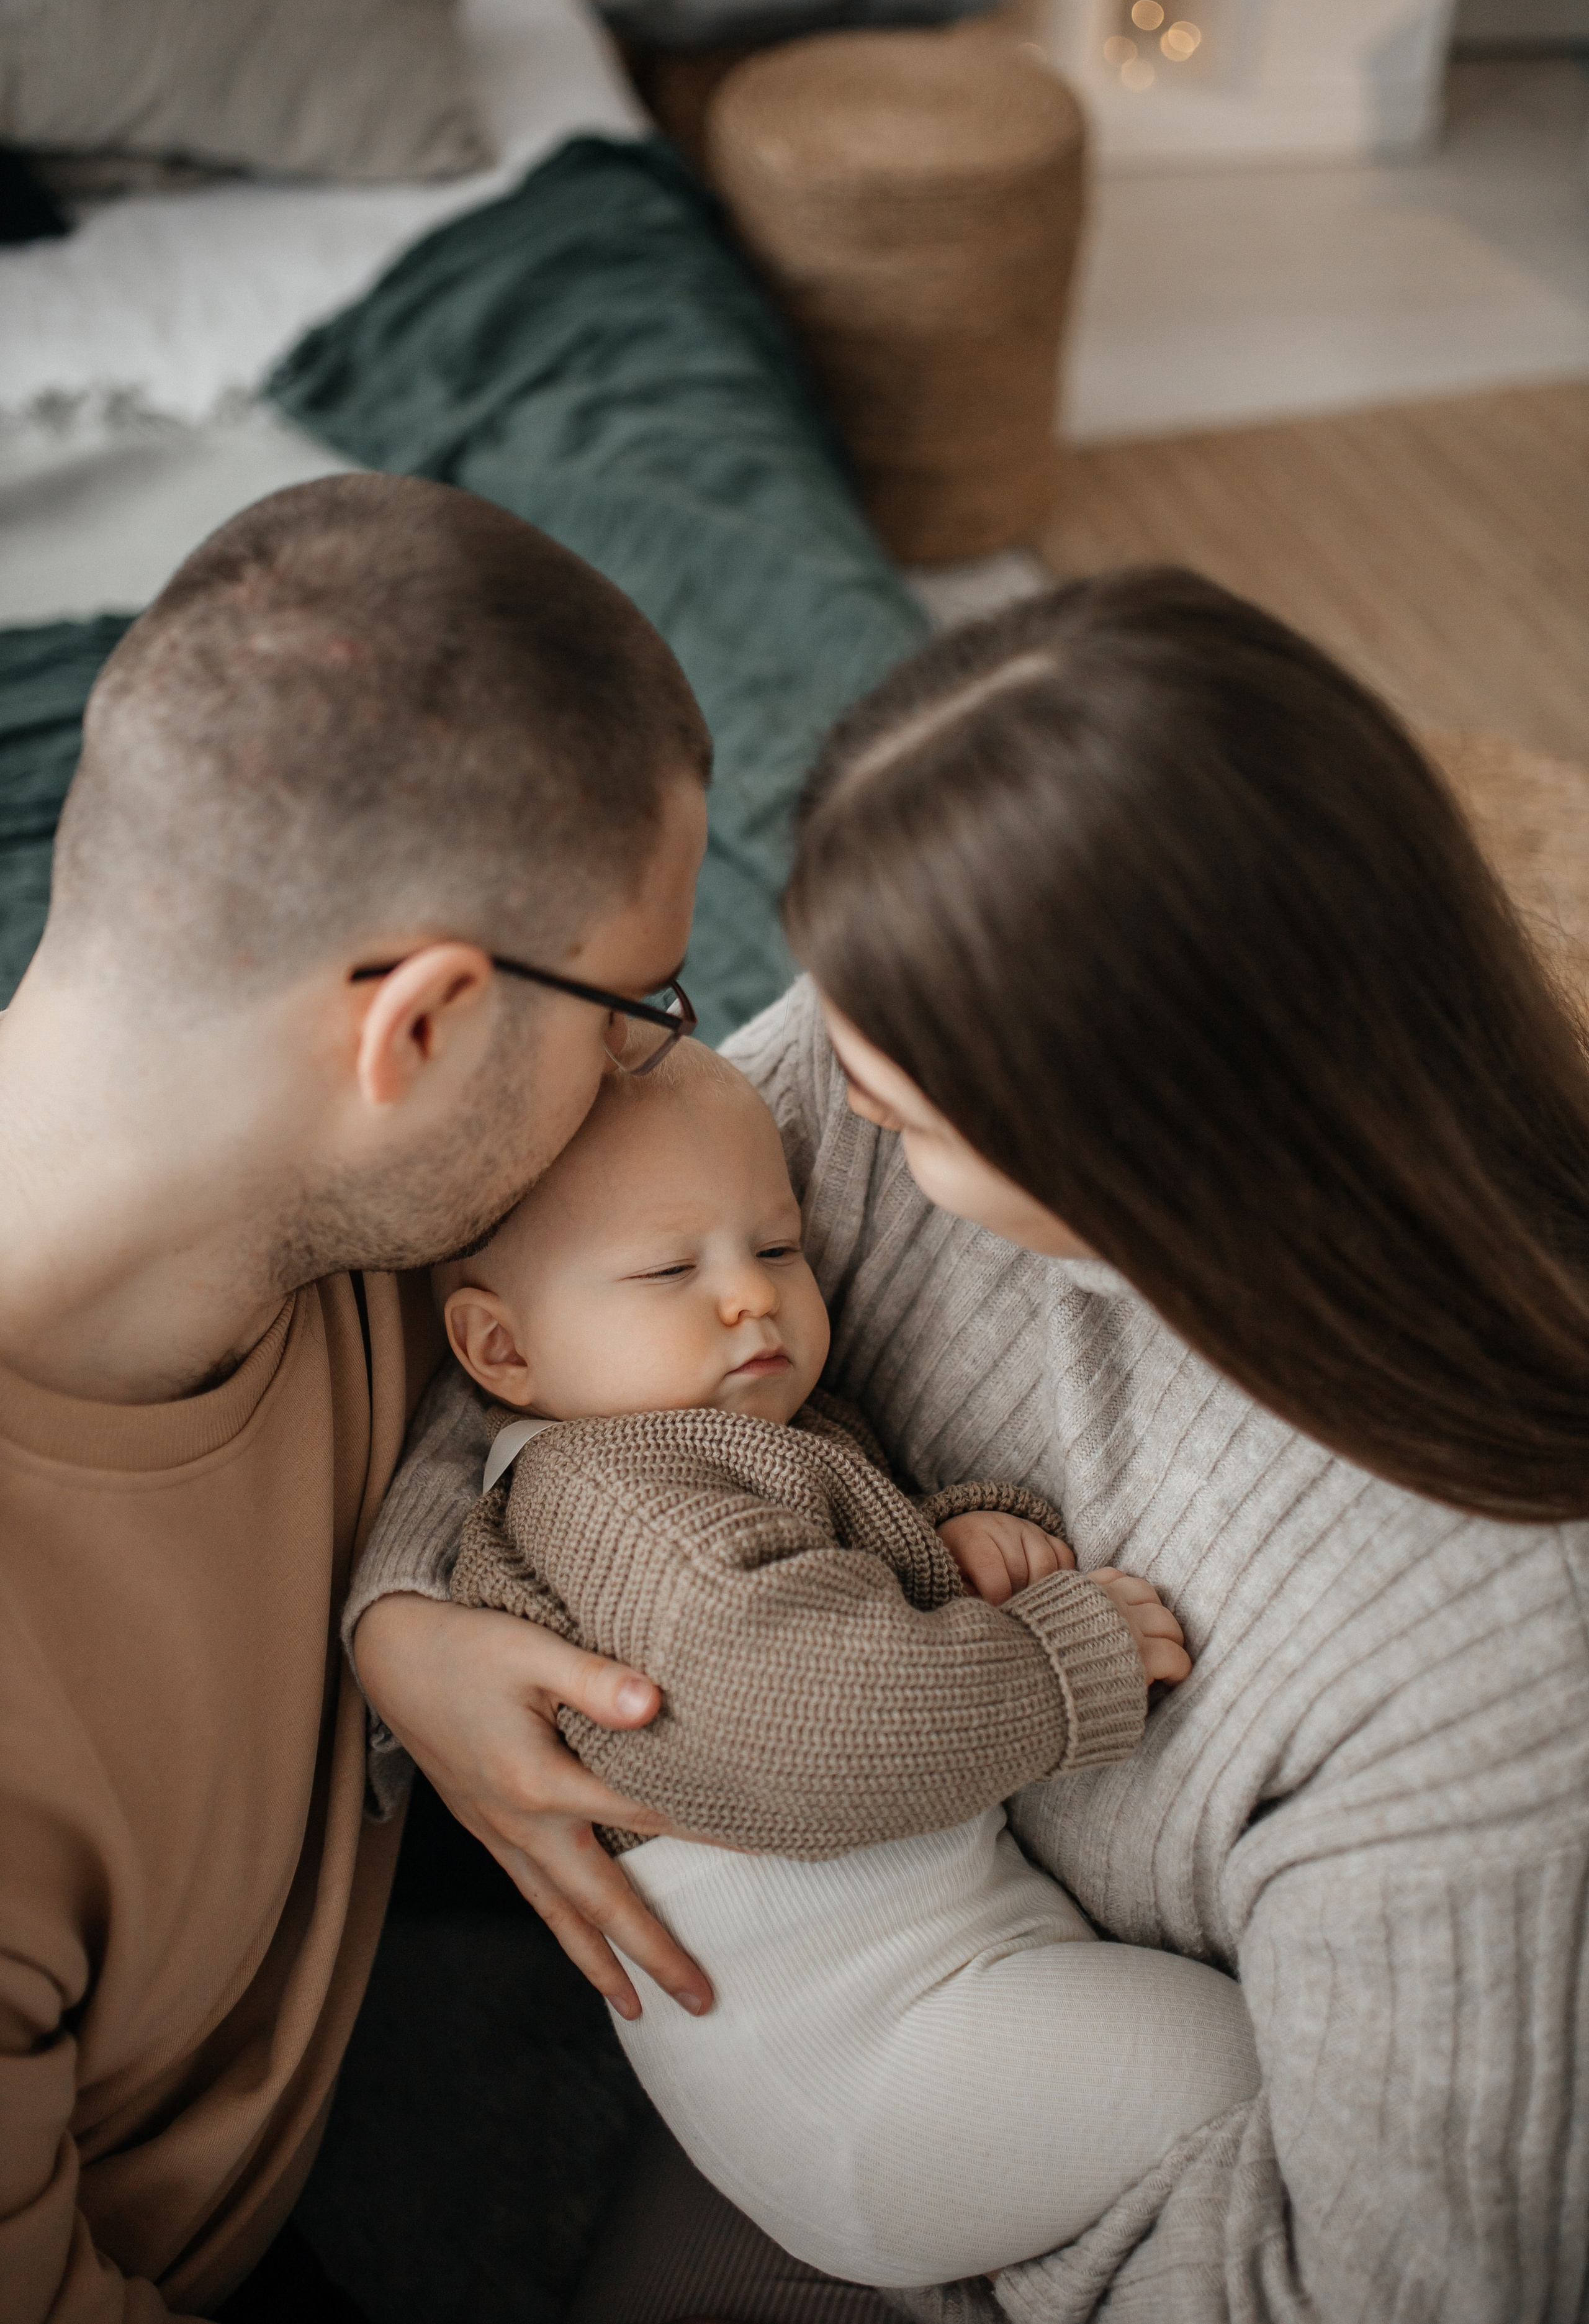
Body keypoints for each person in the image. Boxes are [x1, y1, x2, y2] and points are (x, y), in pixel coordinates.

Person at [353, 569, 1589, 2322]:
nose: (819, 1094)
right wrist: (411, 1623)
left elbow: (1380, 2285)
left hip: (1065, 2184)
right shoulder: (868, 1109)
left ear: (1130, 1143)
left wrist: (974, 2241)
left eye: (900, 1105)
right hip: (851, 2006)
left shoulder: (1487, 1679)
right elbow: (534, 1314)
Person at [0, 472, 722, 2323]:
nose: (667, 1060)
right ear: (418, 1028)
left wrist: (404, 1605)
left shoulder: (326, 1218)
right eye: (641, 1000)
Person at [372, 1036, 1255, 2289]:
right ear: (500, 1354)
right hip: (876, 2072)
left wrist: (946, 1555)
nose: (750, 1298)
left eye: (776, 1247)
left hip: (906, 2026)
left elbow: (812, 1589)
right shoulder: (608, 1497)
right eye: (674, 1267)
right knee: (1237, 2066)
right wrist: (1058, 1665)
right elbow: (816, 1719)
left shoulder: (696, 1445)